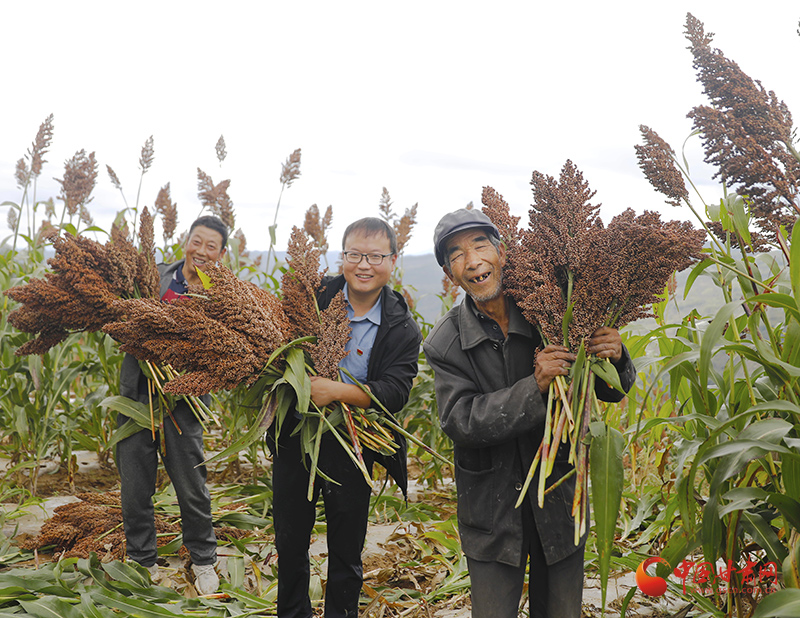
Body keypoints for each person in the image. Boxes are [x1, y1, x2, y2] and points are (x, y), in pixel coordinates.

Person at [422, 209, 636, 618]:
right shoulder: (446, 342)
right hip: (491, 507)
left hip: (559, 493)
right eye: (456, 254)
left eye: (480, 245)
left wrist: (616, 354)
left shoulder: (553, 310)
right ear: (450, 275)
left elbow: (611, 389)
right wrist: (534, 388)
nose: (472, 261)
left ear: (503, 252)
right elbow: (460, 421)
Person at [268, 217, 422, 618]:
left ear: (392, 260)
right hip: (296, 435)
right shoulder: (312, 298)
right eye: (354, 254)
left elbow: (395, 392)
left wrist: (335, 391)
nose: (363, 265)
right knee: (290, 542)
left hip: (354, 447)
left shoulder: (401, 326)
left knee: (346, 551)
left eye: (375, 256)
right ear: (342, 258)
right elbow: (274, 345)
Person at [117, 215, 228, 595]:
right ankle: (141, 560)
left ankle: (203, 559)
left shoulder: (223, 298)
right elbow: (120, 317)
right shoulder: (153, 278)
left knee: (190, 485)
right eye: (196, 241)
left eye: (210, 246)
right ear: (186, 241)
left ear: (221, 254)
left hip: (184, 403)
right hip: (136, 397)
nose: (200, 251)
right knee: (134, 485)